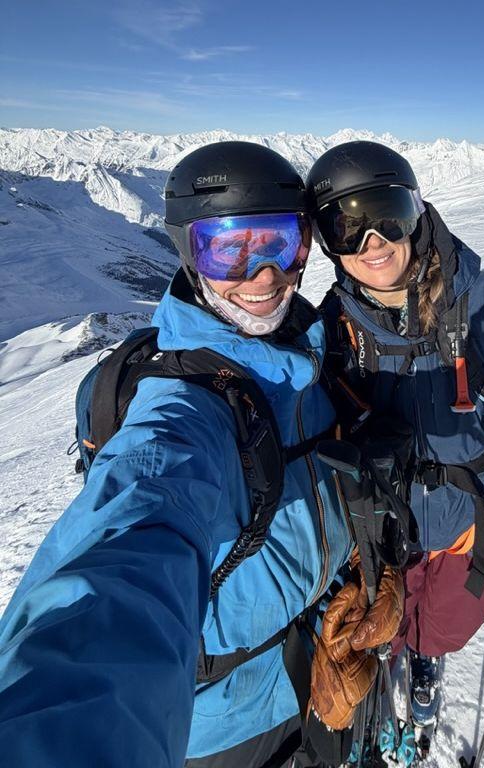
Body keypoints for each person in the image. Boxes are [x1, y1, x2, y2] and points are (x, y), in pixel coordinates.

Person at [0, 141, 401, 768]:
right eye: (230, 248)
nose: (264, 275)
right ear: (189, 253)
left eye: (281, 243)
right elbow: (128, 549)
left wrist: (359, 573)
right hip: (228, 725)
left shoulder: (312, 355)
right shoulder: (180, 413)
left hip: (311, 670)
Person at [307, 141, 484, 731]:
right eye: (346, 227)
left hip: (468, 527)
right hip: (381, 533)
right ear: (328, 244)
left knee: (446, 629)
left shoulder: (483, 304)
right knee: (384, 627)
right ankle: (401, 654)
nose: (371, 243)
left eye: (386, 215)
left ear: (417, 213)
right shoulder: (333, 329)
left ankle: (426, 660)